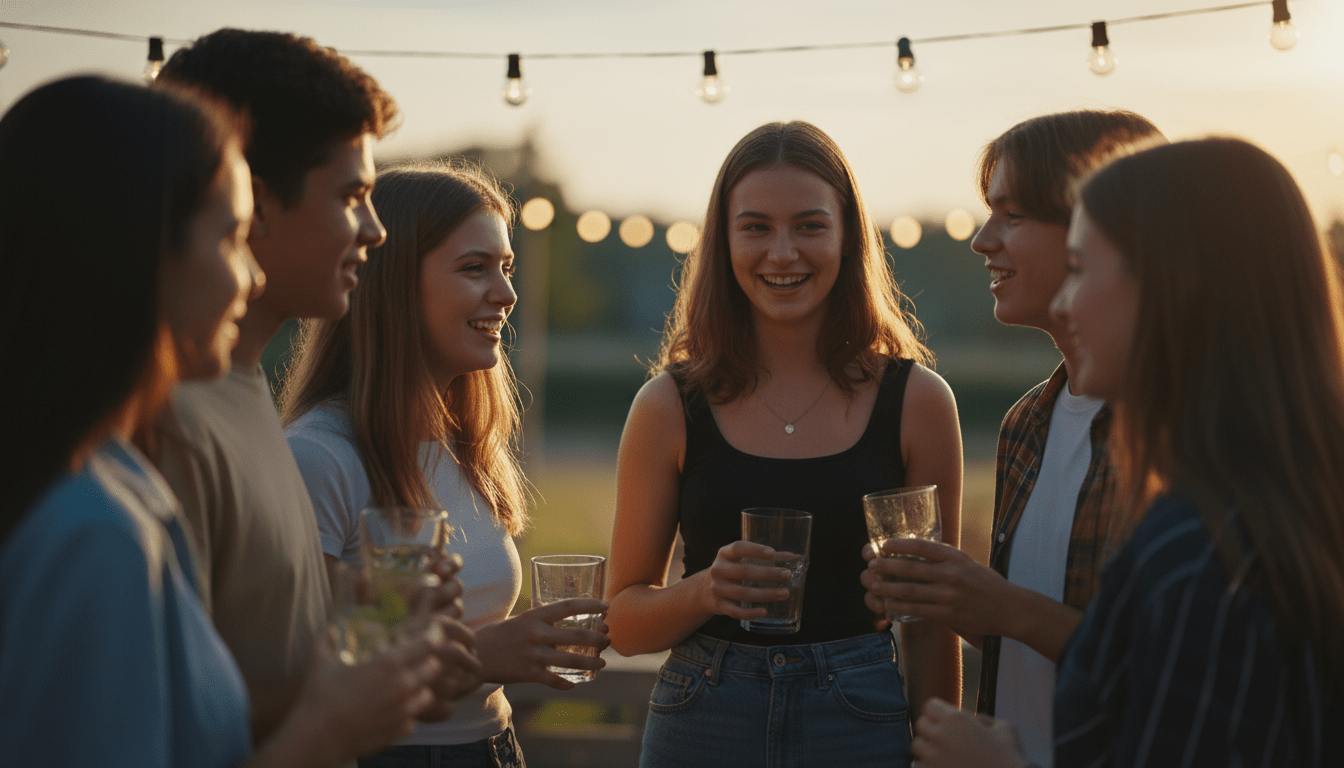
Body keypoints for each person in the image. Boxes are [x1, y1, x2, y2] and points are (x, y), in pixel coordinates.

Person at [0, 75, 444, 767]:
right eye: (233, 238)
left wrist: (332, 642)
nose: (253, 276)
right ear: (141, 250)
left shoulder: (105, 474)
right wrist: (326, 729)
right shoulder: (92, 531)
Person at [912, 137, 1344, 766]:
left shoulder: (1198, 556)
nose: (1064, 300)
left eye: (1081, 267)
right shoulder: (1276, 510)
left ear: (1175, 283)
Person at [150, 29, 479, 747]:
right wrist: (332, 727)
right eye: (353, 194)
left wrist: (364, 613)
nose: (375, 230)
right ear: (255, 203)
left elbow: (249, 642)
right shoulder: (162, 426)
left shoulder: (239, 388)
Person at [606, 121, 963, 767]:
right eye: (756, 227)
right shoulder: (667, 405)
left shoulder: (918, 402)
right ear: (723, 241)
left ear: (848, 236)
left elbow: (932, 620)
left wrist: (942, 752)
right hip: (704, 716)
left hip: (861, 718)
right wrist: (707, 590)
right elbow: (624, 625)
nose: (782, 252)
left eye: (808, 225)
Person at [281, 161, 611, 768]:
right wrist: (482, 657)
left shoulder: (462, 445)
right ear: (393, 283)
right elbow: (300, 671)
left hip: (493, 747)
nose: (508, 294)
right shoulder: (321, 454)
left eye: (506, 268)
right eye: (474, 268)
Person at [859, 110, 1163, 767]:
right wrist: (950, 598)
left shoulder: (1177, 432)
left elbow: (1175, 671)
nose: (982, 240)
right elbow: (1032, 626)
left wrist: (1005, 606)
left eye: (1013, 215)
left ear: (1095, 228)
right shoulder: (1028, 423)